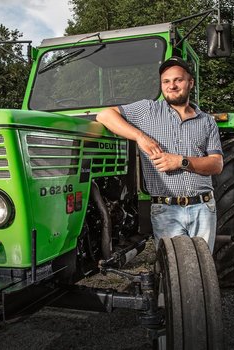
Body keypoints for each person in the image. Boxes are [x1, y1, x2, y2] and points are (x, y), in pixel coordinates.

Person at [96, 56, 223, 252]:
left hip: (203, 208)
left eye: (178, 80)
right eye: (166, 81)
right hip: (166, 209)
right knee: (174, 273)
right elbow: (104, 115)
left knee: (202, 268)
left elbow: (216, 165)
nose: (172, 85)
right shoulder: (147, 110)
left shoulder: (207, 121)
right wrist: (139, 136)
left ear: (190, 83)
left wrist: (181, 161)